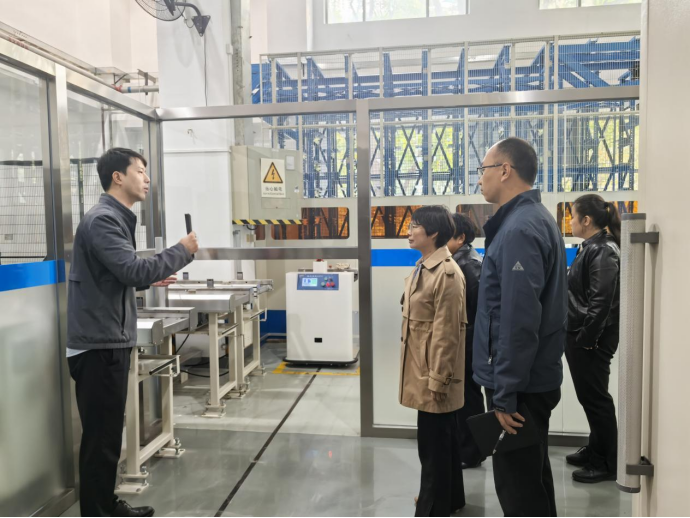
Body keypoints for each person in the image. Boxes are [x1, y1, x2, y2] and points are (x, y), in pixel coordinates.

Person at [67, 148, 199, 518]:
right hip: (98, 345)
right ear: (117, 177)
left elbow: (117, 274)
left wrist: (151, 276)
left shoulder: (113, 219)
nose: (147, 178)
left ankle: (106, 506)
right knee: (101, 439)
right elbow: (130, 271)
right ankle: (98, 512)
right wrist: (180, 251)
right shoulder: (103, 220)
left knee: (107, 436)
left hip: (105, 341)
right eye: (140, 171)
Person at [473, 138, 567, 517]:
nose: (479, 178)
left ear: (505, 170)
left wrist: (505, 394)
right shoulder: (534, 219)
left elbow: (517, 320)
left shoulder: (518, 230)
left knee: (518, 492)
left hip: (518, 387)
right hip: (530, 379)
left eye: (483, 169)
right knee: (533, 480)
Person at [401, 206, 467, 518]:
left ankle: (431, 509)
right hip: (422, 370)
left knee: (432, 448)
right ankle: (451, 498)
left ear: (434, 233)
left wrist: (438, 380)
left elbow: (447, 334)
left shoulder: (447, 274)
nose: (409, 231)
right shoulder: (424, 267)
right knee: (443, 441)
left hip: (433, 375)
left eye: (415, 226)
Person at [564, 195, 621, 484]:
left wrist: (586, 339)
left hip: (591, 339)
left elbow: (601, 302)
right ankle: (596, 448)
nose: (570, 221)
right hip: (583, 335)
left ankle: (607, 462)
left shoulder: (603, 250)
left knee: (596, 399)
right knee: (590, 397)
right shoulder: (591, 247)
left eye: (572, 216)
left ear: (586, 220)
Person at [447, 213, 486, 470]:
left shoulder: (469, 265)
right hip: (462, 339)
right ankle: (465, 446)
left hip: (468, 342)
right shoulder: (458, 260)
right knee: (463, 396)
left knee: (469, 397)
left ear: (461, 238)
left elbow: (479, 309)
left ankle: (472, 452)